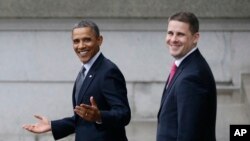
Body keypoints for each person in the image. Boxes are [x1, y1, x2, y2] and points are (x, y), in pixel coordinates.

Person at [23, 20, 131, 141]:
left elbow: (124, 114)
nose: (81, 46)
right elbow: (83, 118)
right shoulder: (85, 71)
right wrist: (52, 126)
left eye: (87, 40)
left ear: (99, 40)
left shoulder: (108, 71)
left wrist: (99, 116)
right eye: (76, 41)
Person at [157, 12, 217, 141]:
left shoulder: (192, 76)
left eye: (180, 34)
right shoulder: (185, 66)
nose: (173, 39)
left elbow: (189, 134)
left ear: (195, 37)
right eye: (170, 33)